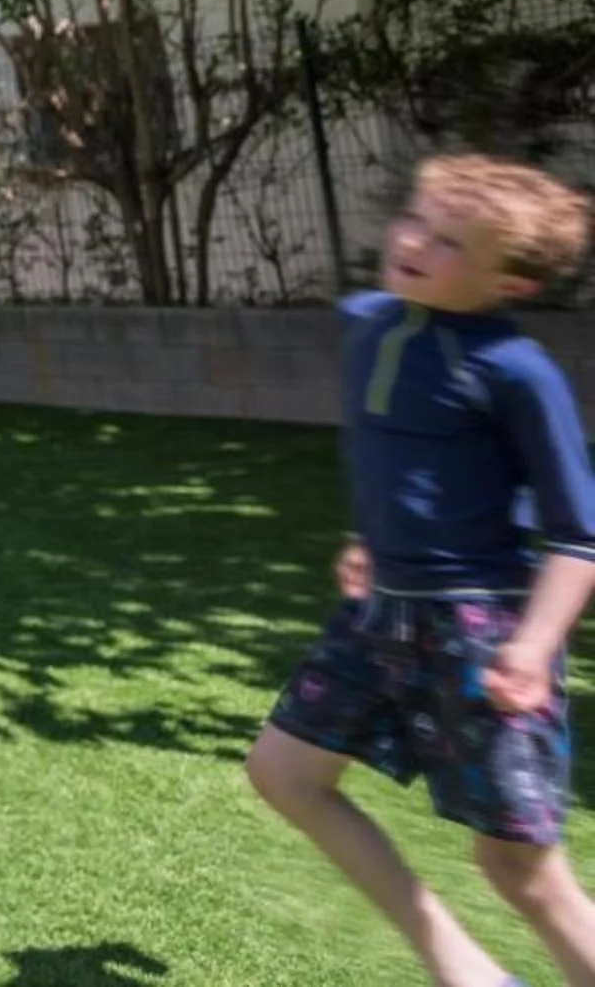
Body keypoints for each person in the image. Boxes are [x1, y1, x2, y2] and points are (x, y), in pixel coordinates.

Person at [245, 155, 595, 987]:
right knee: (284, 774)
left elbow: (579, 537)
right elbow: (411, 467)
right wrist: (373, 536)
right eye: (416, 219)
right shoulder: (370, 323)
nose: (412, 241)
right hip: (381, 614)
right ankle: (458, 963)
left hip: (484, 632)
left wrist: (533, 645)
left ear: (507, 282)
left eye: (449, 241)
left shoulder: (516, 370)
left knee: (521, 873)